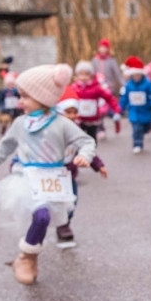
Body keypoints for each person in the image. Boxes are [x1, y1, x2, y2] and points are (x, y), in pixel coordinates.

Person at [0, 64, 96, 285]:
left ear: (42, 97)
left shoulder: (61, 123)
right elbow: (6, 145)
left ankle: (30, 258)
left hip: (53, 180)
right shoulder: (20, 123)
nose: (20, 102)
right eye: (20, 96)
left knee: (44, 219)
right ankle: (26, 257)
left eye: (25, 96)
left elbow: (86, 141)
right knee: (42, 216)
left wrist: (85, 156)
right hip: (26, 177)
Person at [55, 85, 108, 248]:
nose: (72, 115)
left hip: (70, 175)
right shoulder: (52, 130)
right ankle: (54, 226)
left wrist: (98, 165)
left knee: (72, 201)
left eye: (74, 112)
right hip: (52, 175)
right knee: (54, 203)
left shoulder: (77, 131)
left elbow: (86, 148)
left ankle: (65, 224)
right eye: (68, 112)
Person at [120, 56, 151, 153]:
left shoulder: (148, 83)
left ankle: (148, 127)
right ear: (131, 75)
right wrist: (120, 108)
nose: (136, 77)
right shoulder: (129, 85)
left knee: (145, 127)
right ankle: (137, 144)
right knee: (136, 128)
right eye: (134, 75)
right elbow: (124, 98)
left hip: (145, 110)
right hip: (133, 111)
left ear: (142, 74)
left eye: (138, 75)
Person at [73, 61, 120, 142]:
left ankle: (92, 154)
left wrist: (116, 110)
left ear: (91, 75)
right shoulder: (74, 88)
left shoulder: (96, 88)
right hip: (79, 119)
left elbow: (109, 98)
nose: (83, 77)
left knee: (92, 140)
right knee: (79, 140)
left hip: (92, 120)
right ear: (77, 75)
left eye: (86, 74)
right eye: (81, 74)